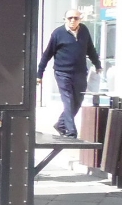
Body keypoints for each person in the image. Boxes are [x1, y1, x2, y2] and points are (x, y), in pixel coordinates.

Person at [37, 9, 101, 138]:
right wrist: (39, 74)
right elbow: (47, 54)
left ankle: (61, 124)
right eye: (70, 18)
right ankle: (71, 131)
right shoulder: (58, 33)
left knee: (77, 101)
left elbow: (90, 49)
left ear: (80, 19)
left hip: (80, 73)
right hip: (62, 73)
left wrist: (97, 64)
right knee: (68, 100)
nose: (73, 20)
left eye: (76, 18)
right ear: (65, 19)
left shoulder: (84, 31)